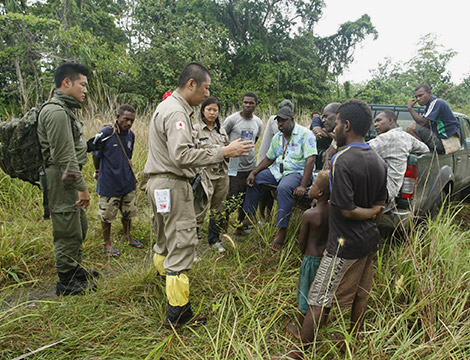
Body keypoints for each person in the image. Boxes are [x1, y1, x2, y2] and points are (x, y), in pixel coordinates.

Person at [144, 63, 253, 329]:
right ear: (191, 84)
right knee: (181, 244)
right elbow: (181, 156)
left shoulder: (170, 107)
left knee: (165, 239)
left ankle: (166, 281)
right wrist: (224, 152)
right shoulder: (177, 113)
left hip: (159, 184)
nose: (207, 95)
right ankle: (179, 315)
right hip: (172, 184)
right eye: (205, 88)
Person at [282, 100, 387, 359]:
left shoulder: (341, 159)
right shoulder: (377, 159)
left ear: (347, 125)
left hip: (343, 245)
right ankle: (351, 343)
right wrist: (372, 215)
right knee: (360, 296)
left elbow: (345, 210)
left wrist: (366, 214)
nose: (334, 127)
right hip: (369, 243)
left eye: (338, 123)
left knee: (318, 299)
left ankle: (298, 354)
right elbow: (380, 206)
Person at [37, 62, 97, 296]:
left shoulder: (66, 110)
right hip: (62, 178)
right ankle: (66, 282)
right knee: (66, 229)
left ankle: (74, 269)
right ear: (67, 83)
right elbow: (64, 156)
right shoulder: (56, 112)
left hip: (66, 176)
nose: (85, 90)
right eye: (82, 85)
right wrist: (82, 187)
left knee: (77, 225)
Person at [243, 107, 317, 250]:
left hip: (297, 172)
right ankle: (250, 215)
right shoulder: (278, 137)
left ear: (292, 120)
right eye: (278, 121)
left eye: (283, 121)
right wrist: (254, 172)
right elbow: (269, 158)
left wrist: (302, 185)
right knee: (256, 179)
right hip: (278, 171)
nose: (280, 124)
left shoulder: (305, 135)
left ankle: (281, 230)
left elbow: (310, 160)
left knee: (284, 188)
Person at [92, 104, 144, 258]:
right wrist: (98, 171)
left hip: (126, 180)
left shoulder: (131, 135)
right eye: (126, 119)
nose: (128, 123)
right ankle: (107, 243)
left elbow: (129, 155)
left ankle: (127, 236)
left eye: (132, 121)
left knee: (128, 212)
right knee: (107, 215)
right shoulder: (105, 133)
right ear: (118, 117)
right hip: (109, 181)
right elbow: (95, 154)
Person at [286, 170, 330, 339]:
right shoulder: (332, 210)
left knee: (305, 293)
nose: (309, 187)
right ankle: (323, 321)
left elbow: (302, 241)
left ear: (319, 192)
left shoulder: (309, 215)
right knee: (323, 292)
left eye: (312, 185)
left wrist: (301, 253)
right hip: (325, 259)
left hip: (310, 259)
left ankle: (300, 327)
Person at [222, 92, 263, 234]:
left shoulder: (258, 122)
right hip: (234, 167)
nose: (248, 105)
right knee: (230, 199)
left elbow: (255, 140)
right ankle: (223, 230)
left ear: (256, 105)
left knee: (245, 199)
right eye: (245, 102)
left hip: (250, 166)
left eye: (251, 103)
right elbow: (222, 137)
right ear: (242, 103)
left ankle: (240, 228)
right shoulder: (232, 120)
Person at [193, 97, 229, 252]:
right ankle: (191, 246)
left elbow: (227, 150)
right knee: (198, 210)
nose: (212, 113)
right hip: (204, 175)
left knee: (219, 209)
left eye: (215, 110)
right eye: (209, 109)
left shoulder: (221, 131)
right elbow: (190, 153)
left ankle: (214, 240)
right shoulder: (195, 129)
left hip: (221, 175)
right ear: (203, 111)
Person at [369, 110, 429, 202]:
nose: (375, 124)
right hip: (393, 190)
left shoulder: (387, 137)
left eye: (379, 120)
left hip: (383, 190)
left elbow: (359, 151)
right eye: (375, 122)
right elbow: (425, 149)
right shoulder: (407, 137)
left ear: (390, 120)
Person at [256, 99, 294, 222]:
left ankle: (268, 216)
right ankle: (262, 216)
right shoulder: (274, 120)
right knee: (264, 192)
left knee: (272, 191)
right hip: (266, 160)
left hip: (276, 163)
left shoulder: (288, 121)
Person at [406, 84, 460, 154]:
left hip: (444, 141)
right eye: (416, 97)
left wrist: (410, 109)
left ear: (429, 93)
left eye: (420, 95)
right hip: (440, 140)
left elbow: (422, 123)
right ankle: (423, 149)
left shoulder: (437, 103)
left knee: (411, 128)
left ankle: (424, 150)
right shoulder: (428, 107)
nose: (418, 99)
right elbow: (425, 125)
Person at [318, 102, 341, 170]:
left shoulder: (344, 144)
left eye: (326, 116)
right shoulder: (335, 140)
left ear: (338, 115)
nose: (323, 121)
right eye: (322, 117)